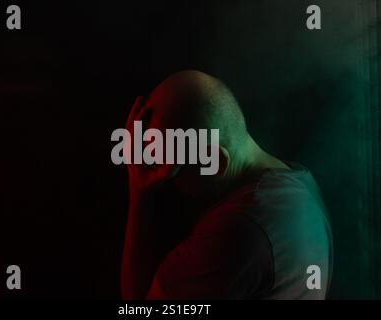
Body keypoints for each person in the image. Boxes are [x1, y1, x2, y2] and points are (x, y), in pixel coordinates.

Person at [120, 70, 333, 300]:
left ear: (216, 162)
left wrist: (138, 190)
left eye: (171, 170)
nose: (165, 182)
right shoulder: (301, 184)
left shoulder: (237, 230)